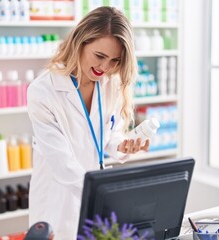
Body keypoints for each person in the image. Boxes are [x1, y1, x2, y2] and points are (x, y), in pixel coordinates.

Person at [27, 6, 150, 239]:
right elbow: (61, 163)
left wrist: (122, 146)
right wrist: (104, 193)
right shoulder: (43, 92)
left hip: (95, 200)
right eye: (100, 56)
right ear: (80, 43)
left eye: (115, 60)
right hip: (57, 202)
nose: (105, 68)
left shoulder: (110, 84)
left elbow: (108, 135)